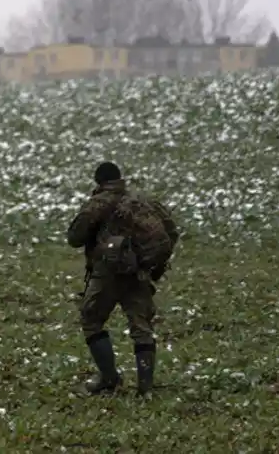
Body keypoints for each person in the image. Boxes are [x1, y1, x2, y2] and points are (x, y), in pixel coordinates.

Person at [66, 161, 179, 397]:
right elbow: (171, 231)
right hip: (139, 272)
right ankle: (145, 389)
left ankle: (109, 379)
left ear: (99, 181)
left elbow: (75, 237)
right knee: (141, 327)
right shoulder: (142, 201)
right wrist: (146, 262)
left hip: (107, 274)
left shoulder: (99, 202)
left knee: (91, 319)